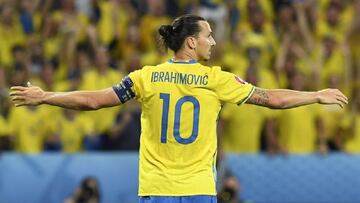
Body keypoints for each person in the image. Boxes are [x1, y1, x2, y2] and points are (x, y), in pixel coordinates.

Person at [9, 14, 348, 203]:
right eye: (209, 35)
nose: (213, 41)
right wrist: (314, 94)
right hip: (199, 189)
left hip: (157, 190)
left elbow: (93, 101)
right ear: (191, 42)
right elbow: (272, 99)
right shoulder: (217, 79)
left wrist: (45, 96)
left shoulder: (146, 77)